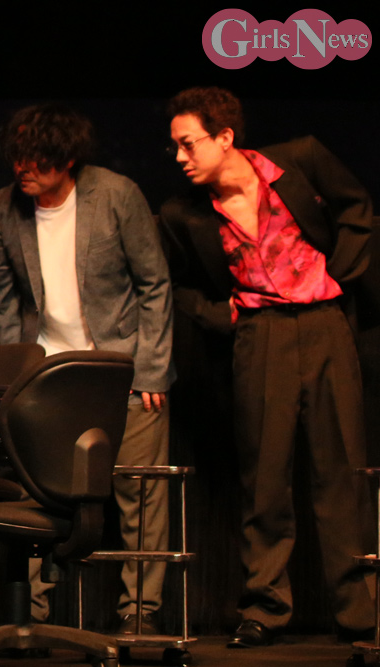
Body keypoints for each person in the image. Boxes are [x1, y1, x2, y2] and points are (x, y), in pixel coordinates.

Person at [159, 86, 374, 647]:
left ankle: (358, 611)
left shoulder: (299, 162)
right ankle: (265, 607)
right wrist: (222, 316)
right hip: (261, 334)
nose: (179, 156)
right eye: (176, 145)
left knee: (341, 471)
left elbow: (357, 207)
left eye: (188, 143)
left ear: (225, 137)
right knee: (265, 479)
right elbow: (175, 285)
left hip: (325, 324)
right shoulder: (184, 214)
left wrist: (341, 275)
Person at [0, 103, 174, 632]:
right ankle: (29, 617)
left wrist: (151, 369)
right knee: (36, 497)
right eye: (16, 156)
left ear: (67, 159)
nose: (22, 168)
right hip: (48, 379)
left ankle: (140, 615)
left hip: (123, 371)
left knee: (140, 493)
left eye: (35, 157)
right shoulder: (2, 209)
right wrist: (16, 377)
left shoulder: (115, 194)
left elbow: (154, 284)